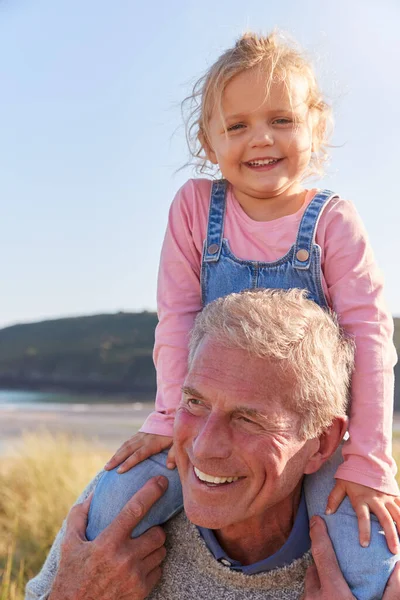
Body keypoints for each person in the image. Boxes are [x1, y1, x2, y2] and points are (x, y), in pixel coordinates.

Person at [91, 31, 399, 597]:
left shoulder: (333, 223)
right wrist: (165, 416)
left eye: (281, 119)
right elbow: (177, 319)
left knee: (367, 556)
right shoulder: (193, 209)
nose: (261, 139)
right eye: (237, 126)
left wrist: (368, 459)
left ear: (316, 127)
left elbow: (372, 340)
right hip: (209, 423)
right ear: (208, 142)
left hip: (304, 436)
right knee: (107, 509)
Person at [26, 290, 400, 599]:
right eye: (195, 403)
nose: (203, 448)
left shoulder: (377, 559)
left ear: (322, 442)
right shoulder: (119, 510)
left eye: (248, 419)